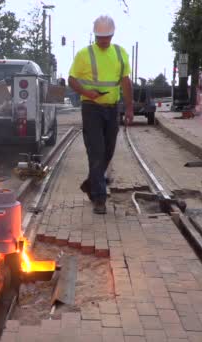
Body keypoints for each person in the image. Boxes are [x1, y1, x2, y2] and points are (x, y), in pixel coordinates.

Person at [68, 15, 133, 214]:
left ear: (112, 34)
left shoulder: (121, 54)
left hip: (112, 108)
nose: (103, 41)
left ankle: (91, 183)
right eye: (100, 37)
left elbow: (125, 82)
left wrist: (129, 108)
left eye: (106, 37)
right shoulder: (83, 54)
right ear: (94, 35)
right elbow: (71, 80)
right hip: (91, 108)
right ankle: (99, 198)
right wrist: (88, 93)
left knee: (108, 151)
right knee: (96, 151)